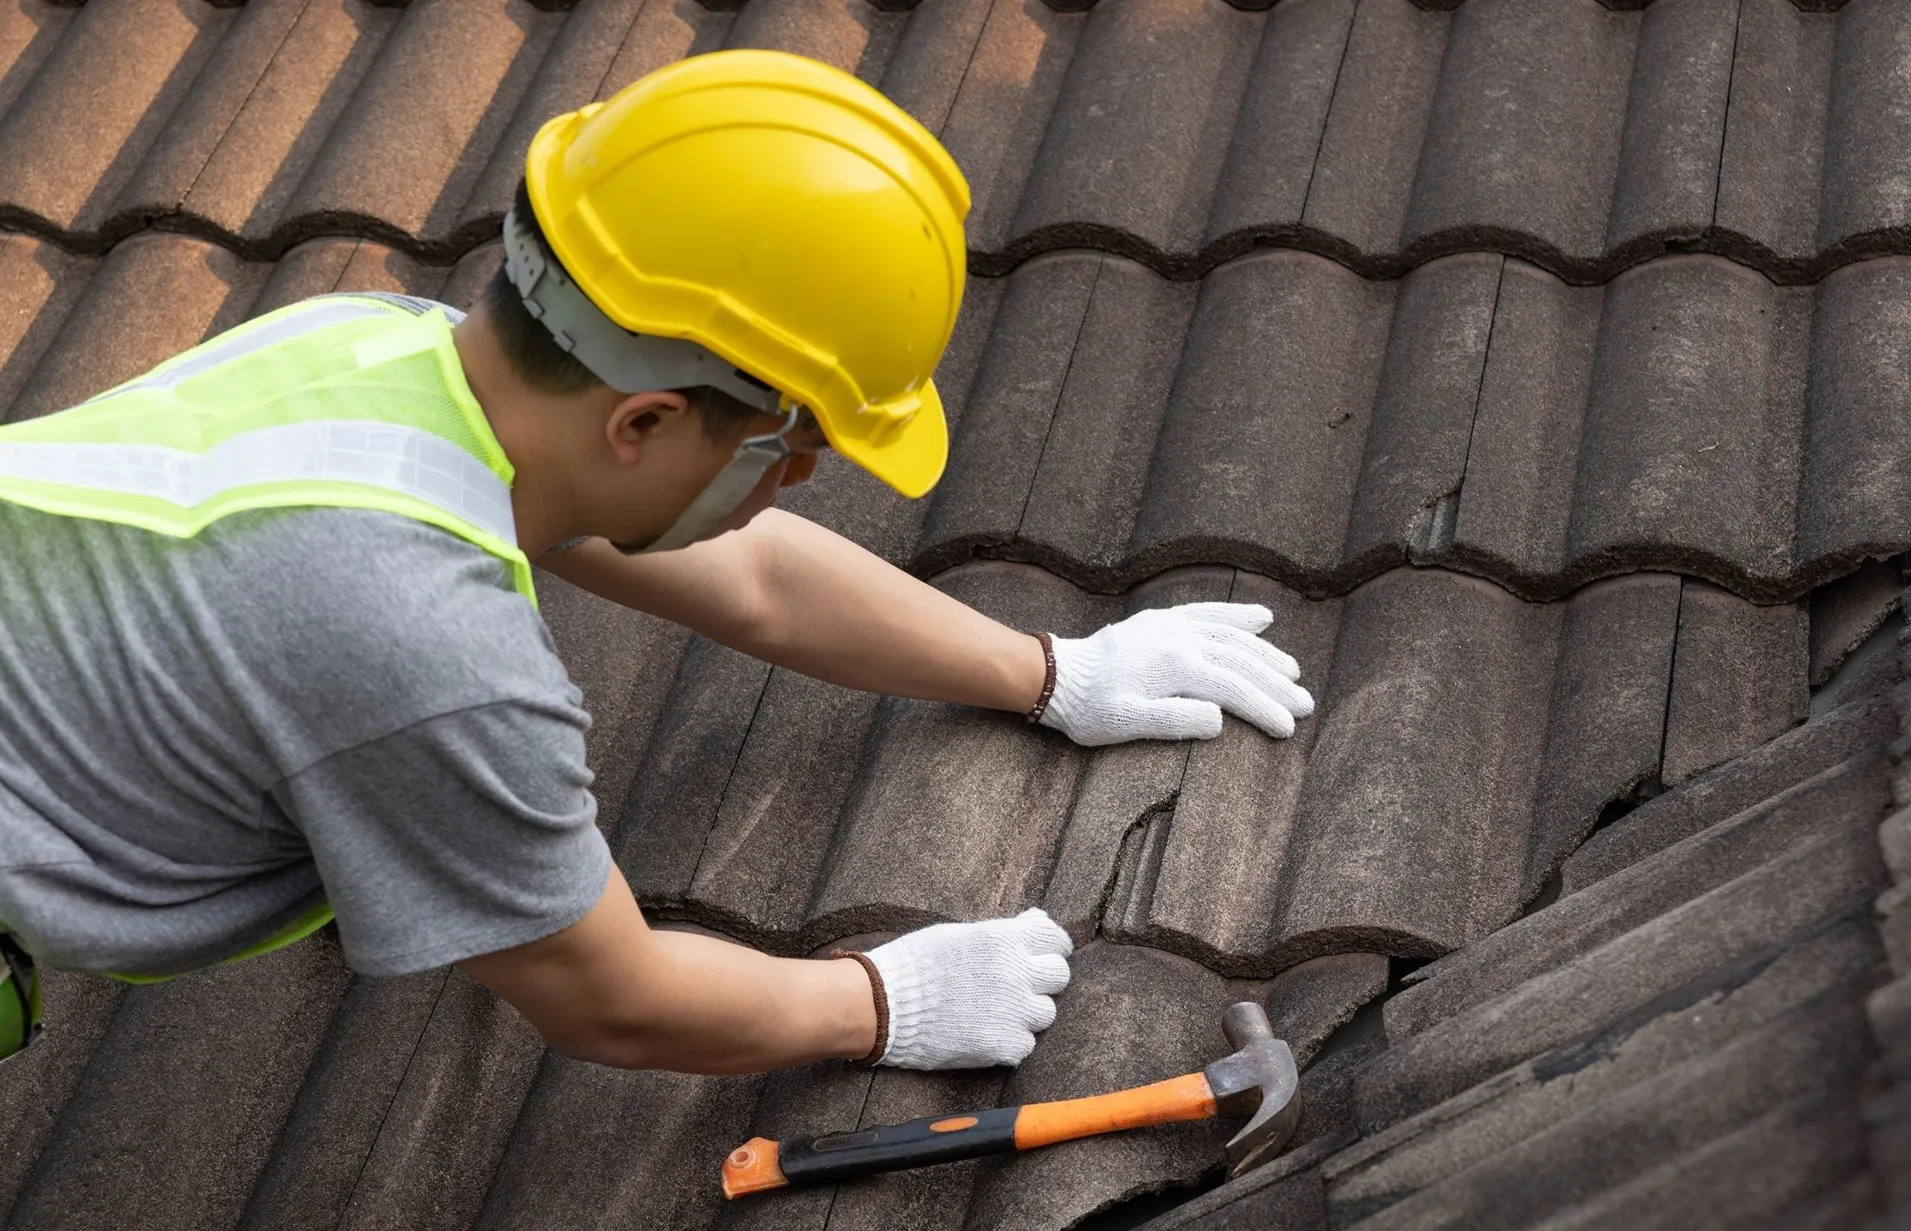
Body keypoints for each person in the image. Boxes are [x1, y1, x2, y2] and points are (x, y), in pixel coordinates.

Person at [0, 52, 1312, 1075]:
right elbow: (611, 998)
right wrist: (879, 1000)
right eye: (793, 447)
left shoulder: (377, 343)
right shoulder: (426, 649)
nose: (798, 482)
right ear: (643, 422)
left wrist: (1055, 671)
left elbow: (756, 579)